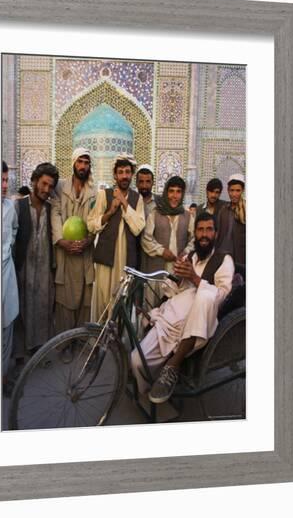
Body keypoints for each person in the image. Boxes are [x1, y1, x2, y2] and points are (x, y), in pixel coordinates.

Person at [131, 212, 234, 402]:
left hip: (197, 326)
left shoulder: (224, 261)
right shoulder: (190, 256)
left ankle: (173, 365)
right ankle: (147, 390)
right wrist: (178, 279)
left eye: (209, 230)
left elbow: (221, 297)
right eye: (200, 230)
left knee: (205, 295)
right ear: (195, 233)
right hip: (170, 320)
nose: (204, 234)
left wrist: (195, 278)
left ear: (216, 234)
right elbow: (171, 291)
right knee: (137, 362)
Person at [88, 155, 145, 322]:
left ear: (132, 174)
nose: (124, 176)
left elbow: (138, 227)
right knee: (102, 301)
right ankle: (97, 342)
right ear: (115, 175)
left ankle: (116, 345)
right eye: (120, 172)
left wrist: (124, 202)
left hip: (126, 260)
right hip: (106, 258)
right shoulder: (103, 195)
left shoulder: (137, 199)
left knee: (121, 302)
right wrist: (110, 212)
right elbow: (91, 224)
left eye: (127, 172)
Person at [14, 162, 59, 356]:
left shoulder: (52, 210)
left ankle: (40, 352)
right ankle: (21, 353)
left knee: (43, 308)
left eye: (50, 186)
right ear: (34, 181)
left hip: (44, 270)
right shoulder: (19, 206)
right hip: (23, 268)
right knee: (22, 309)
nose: (46, 189)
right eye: (43, 184)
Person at [51, 148, 97, 334]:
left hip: (85, 255)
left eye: (86, 163)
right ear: (73, 163)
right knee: (65, 302)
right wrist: (61, 241)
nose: (83, 166)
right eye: (80, 162)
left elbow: (96, 219)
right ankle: (64, 345)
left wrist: (88, 240)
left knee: (85, 302)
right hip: (65, 254)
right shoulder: (60, 187)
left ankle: (80, 343)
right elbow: (56, 212)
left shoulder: (95, 192)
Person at [141, 175, 194, 307]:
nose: (174, 196)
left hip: (178, 276)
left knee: (174, 313)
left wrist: (186, 252)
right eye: (171, 191)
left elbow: (194, 240)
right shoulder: (155, 213)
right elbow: (146, 239)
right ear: (166, 192)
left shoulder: (187, 216)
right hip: (156, 275)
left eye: (178, 192)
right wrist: (161, 251)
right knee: (152, 312)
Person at [1, 161, 19, 381]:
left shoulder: (9, 208)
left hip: (6, 272)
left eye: (6, 180)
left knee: (7, 329)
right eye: (0, 180)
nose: (4, 185)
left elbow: (13, 231)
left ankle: (3, 377)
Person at [216, 173, 246, 266]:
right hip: (222, 257)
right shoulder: (223, 210)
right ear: (228, 191)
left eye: (238, 190)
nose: (234, 194)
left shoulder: (246, 210)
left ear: (242, 191)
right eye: (232, 190)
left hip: (240, 259)